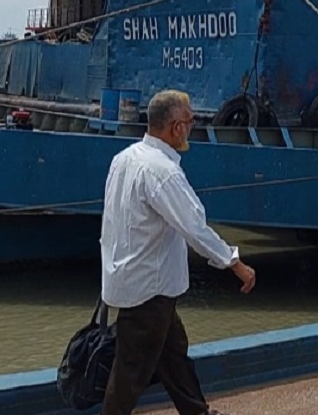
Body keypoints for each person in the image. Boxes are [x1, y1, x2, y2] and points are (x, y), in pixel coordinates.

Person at [100, 90, 257, 415]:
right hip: (149, 288)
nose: (191, 127)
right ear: (176, 127)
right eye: (190, 121)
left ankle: (197, 412)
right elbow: (194, 228)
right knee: (130, 372)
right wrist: (234, 262)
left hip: (136, 282)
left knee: (174, 356)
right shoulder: (163, 172)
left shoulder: (124, 159)